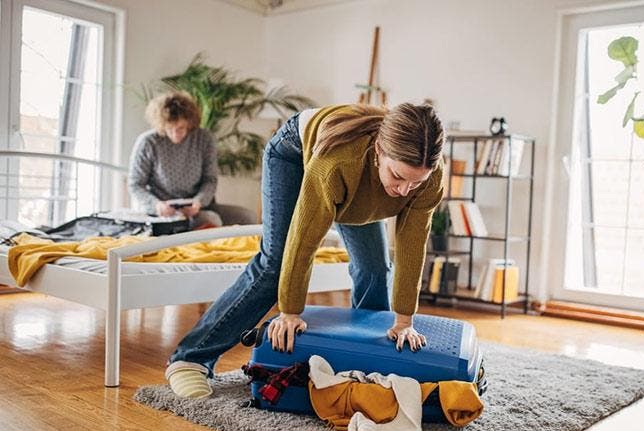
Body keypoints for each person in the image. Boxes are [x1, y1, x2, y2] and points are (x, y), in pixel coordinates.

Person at [165, 103, 444, 399]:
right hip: (295, 152)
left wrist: (403, 322)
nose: (404, 191)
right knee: (276, 264)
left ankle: (366, 362)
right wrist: (290, 311)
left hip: (358, 179)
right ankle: (190, 359)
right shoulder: (337, 164)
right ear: (378, 151)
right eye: (398, 177)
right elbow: (304, 239)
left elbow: (412, 246)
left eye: (416, 182)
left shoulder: (427, 177)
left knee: (375, 268)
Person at [128, 91, 254, 228]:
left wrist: (198, 202)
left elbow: (210, 179)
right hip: (161, 211)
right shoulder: (148, 142)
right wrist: (156, 205)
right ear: (161, 125)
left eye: (181, 128)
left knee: (247, 217)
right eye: (170, 129)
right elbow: (135, 184)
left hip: (198, 208)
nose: (175, 134)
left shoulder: (204, 139)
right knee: (212, 220)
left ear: (189, 123)